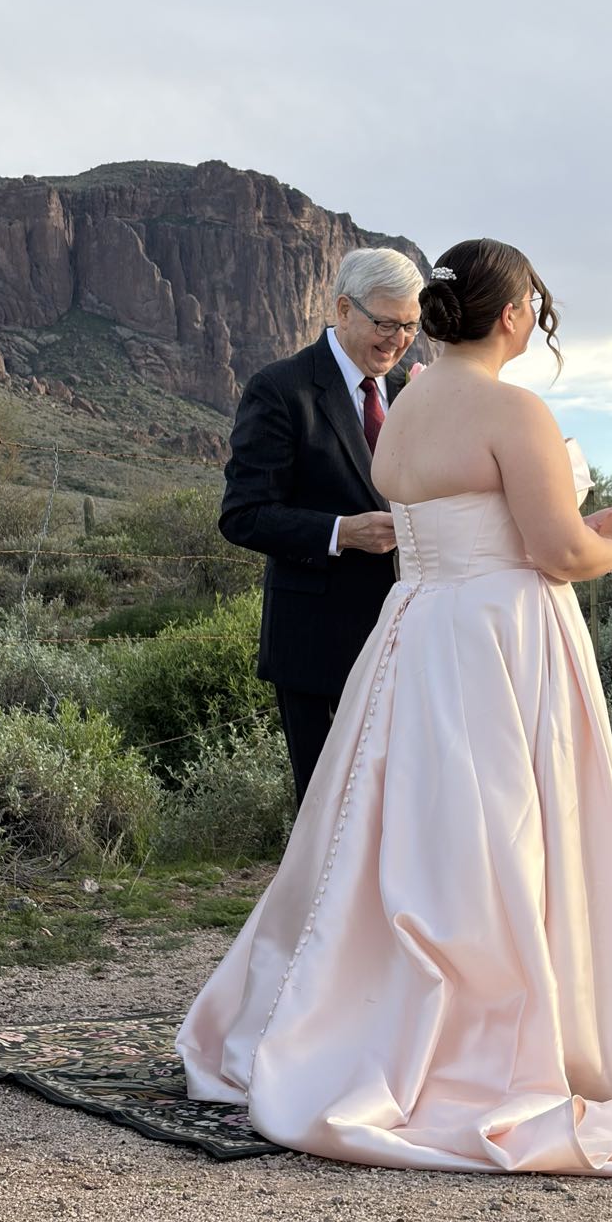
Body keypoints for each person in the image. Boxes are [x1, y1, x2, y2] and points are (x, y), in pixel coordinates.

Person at [177, 238, 612, 1182]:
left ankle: (369, 1017)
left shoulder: (410, 408)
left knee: (400, 837)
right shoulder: (513, 409)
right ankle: (495, 1041)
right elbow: (554, 552)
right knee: (503, 834)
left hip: (417, 628)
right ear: (514, 314)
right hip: (499, 636)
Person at [218, 247, 425, 804]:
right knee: (331, 817)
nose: (398, 339)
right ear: (342, 309)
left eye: (410, 325)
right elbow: (243, 515)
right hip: (318, 648)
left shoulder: (413, 394)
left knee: (398, 815)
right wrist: (342, 532)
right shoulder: (281, 389)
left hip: (411, 644)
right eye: (385, 323)